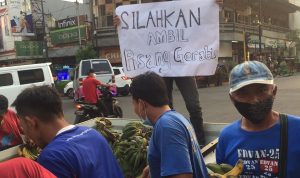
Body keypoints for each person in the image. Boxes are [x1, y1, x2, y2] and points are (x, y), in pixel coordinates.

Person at [114, 0, 223, 146]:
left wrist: (214, 6)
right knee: (166, 106)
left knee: (193, 105)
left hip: (184, 65)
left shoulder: (184, 6)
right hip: (162, 66)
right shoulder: (151, 10)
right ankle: (172, 140)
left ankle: (200, 143)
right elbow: (137, 35)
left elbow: (202, 22)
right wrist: (121, 23)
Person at [12, 85, 124, 178]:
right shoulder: (92, 134)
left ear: (31, 123)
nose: (27, 135)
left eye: (23, 127)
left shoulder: (52, 157)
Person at [216, 60, 300, 177]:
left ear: (274, 91)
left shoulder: (297, 129)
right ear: (232, 98)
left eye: (261, 90)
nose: (254, 100)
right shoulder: (227, 137)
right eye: (243, 93)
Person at [130, 72, 208, 178]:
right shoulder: (177, 118)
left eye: (133, 103)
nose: (133, 108)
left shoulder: (166, 127)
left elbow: (182, 176)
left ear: (141, 104)